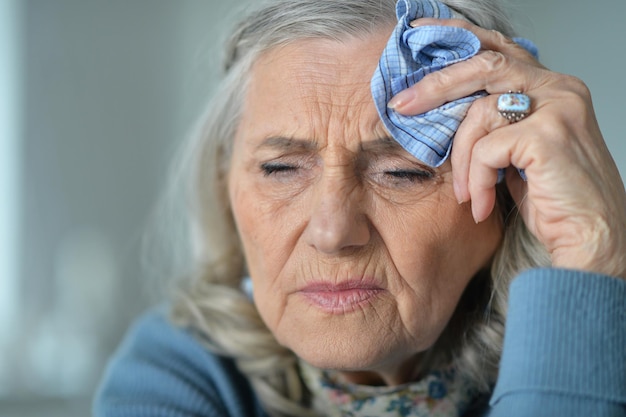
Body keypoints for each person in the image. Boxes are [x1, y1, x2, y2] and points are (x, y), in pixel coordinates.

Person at [93, 0, 626, 416]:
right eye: (280, 169)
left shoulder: (600, 357)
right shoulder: (174, 374)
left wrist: (592, 249)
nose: (332, 231)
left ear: (509, 199)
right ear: (226, 189)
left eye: (404, 171)